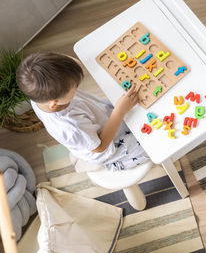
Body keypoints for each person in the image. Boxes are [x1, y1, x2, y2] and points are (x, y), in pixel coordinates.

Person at [16, 52, 149, 171]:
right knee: (151, 147)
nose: (77, 85)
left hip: (97, 123)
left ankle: (82, 149)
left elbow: (75, 64)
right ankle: (106, 165)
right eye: (75, 86)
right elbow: (100, 147)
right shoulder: (71, 126)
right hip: (105, 147)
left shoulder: (40, 96)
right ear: (54, 103)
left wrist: (62, 63)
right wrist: (119, 111)